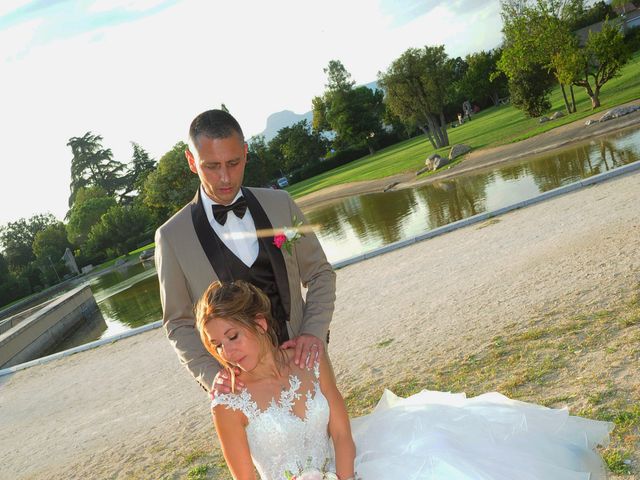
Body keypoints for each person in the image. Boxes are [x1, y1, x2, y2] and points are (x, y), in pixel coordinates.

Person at [197, 280, 614, 480]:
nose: (227, 353)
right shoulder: (229, 403)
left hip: (350, 469)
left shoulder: (309, 359)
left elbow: (341, 433)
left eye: (232, 337)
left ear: (260, 322)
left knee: (441, 452)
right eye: (216, 346)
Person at [155, 109, 336, 394]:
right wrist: (213, 375)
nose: (225, 177)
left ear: (246, 152)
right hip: (242, 388)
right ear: (191, 161)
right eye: (212, 166)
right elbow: (178, 323)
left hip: (304, 362)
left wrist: (313, 333)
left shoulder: (281, 204)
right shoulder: (171, 237)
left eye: (233, 162)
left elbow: (320, 274)